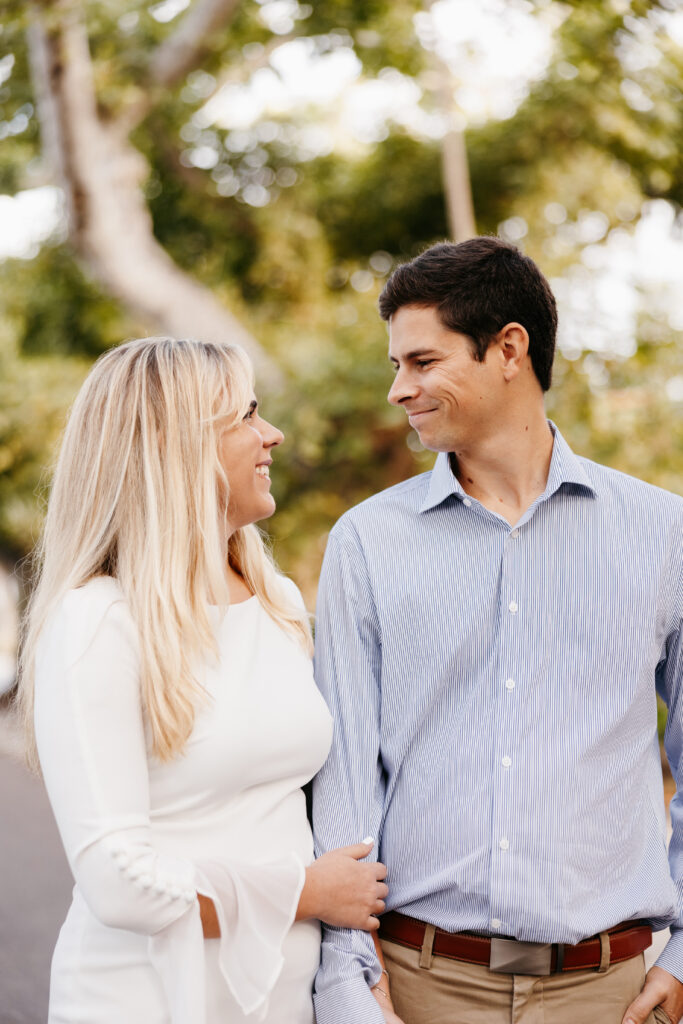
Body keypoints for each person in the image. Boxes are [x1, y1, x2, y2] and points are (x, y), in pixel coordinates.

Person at [311, 237, 683, 1024]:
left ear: (507, 348)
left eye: (420, 361)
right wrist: (346, 977)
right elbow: (345, 774)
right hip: (416, 984)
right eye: (394, 366)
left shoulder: (663, 536)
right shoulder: (365, 541)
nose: (397, 390)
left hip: (609, 993)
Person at [18, 336, 388, 1024]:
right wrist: (303, 893)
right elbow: (117, 884)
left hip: (283, 999)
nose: (270, 434)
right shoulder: (100, 620)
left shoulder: (274, 598)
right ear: (175, 447)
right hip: (146, 1001)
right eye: (246, 416)